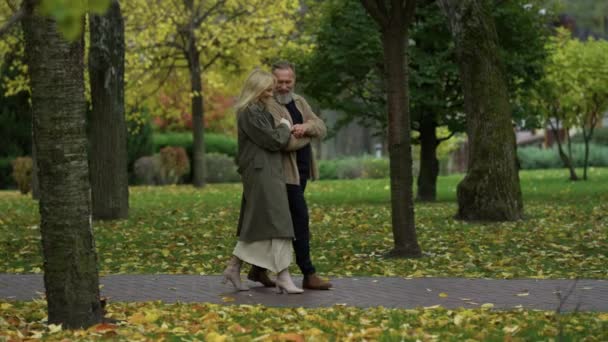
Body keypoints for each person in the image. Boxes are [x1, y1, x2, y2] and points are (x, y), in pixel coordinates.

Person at [247, 61, 332, 290]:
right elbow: (283, 142)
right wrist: (306, 132)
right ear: (272, 81)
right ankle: (308, 273)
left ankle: (257, 270)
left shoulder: (299, 101)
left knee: (279, 224)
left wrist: (307, 127)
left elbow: (321, 126)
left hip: (302, 172)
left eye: (288, 81)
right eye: (279, 82)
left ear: (294, 81)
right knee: (298, 221)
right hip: (282, 175)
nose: (284, 86)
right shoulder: (268, 105)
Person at [222, 69, 303, 294]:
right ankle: (284, 276)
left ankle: (234, 267)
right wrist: (285, 127)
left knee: (262, 225)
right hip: (261, 173)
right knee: (280, 223)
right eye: (267, 89)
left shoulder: (259, 110)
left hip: (266, 172)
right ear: (256, 90)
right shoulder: (249, 112)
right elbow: (273, 140)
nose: (271, 93)